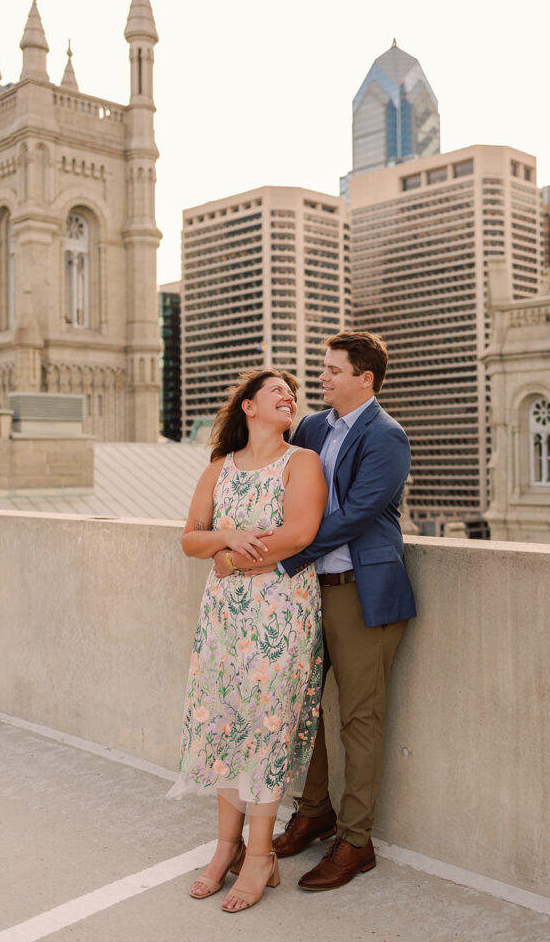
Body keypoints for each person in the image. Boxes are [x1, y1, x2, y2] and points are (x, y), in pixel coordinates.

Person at [213, 331, 416, 891]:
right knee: (302, 708)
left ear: (364, 379)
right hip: (305, 593)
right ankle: (315, 810)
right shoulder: (311, 428)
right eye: (322, 370)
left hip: (359, 591)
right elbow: (283, 491)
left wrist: (274, 554)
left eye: (332, 370)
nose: (321, 378)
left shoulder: (387, 437)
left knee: (360, 715)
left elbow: (350, 517)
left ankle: (356, 841)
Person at [168, 369, 327, 913]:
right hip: (224, 619)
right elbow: (191, 538)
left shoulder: (301, 461)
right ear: (249, 407)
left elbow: (300, 533)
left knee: (266, 724)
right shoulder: (218, 468)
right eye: (277, 391)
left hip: (281, 610)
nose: (290, 397)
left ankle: (260, 855)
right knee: (228, 720)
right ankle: (225, 848)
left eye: (294, 394)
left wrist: (231, 560)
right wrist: (226, 535)